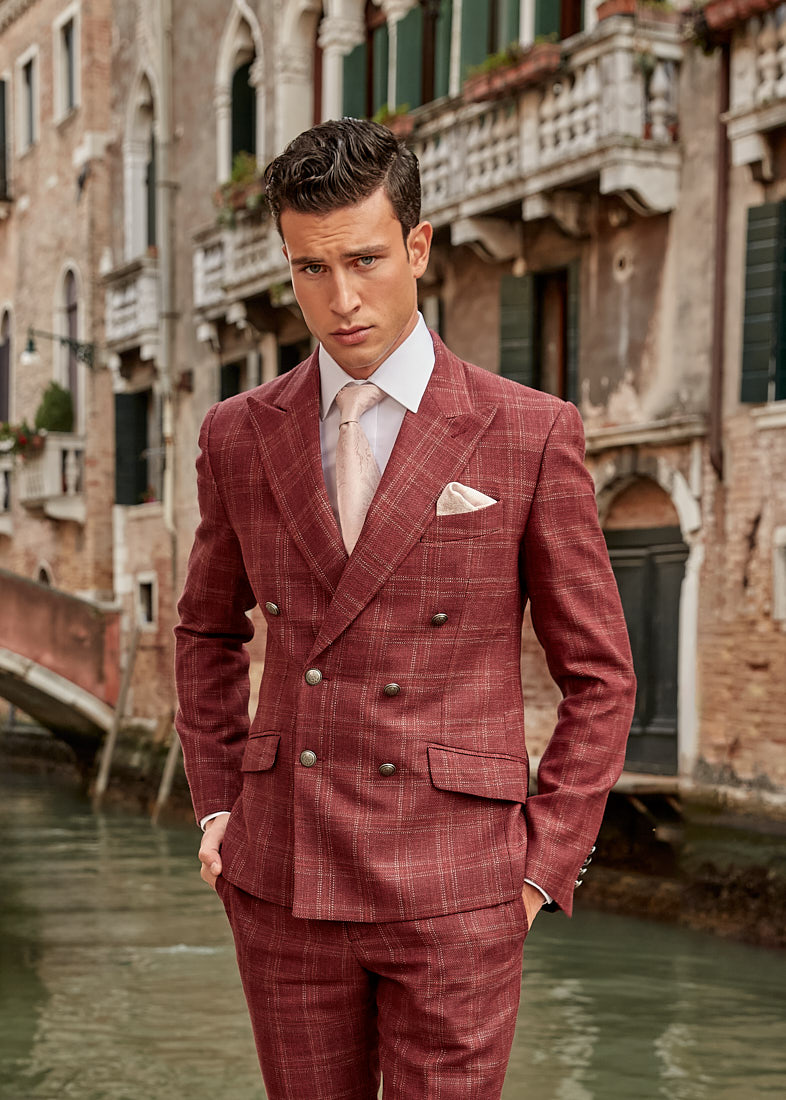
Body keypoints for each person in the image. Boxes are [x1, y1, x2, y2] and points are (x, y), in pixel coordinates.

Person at [174, 117, 636, 1100]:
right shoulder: (237, 435)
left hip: (460, 884)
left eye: (366, 260)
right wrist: (217, 805)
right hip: (283, 871)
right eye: (310, 269)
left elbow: (599, 673)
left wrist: (540, 864)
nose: (340, 300)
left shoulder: (528, 432)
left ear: (418, 246)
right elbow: (208, 630)